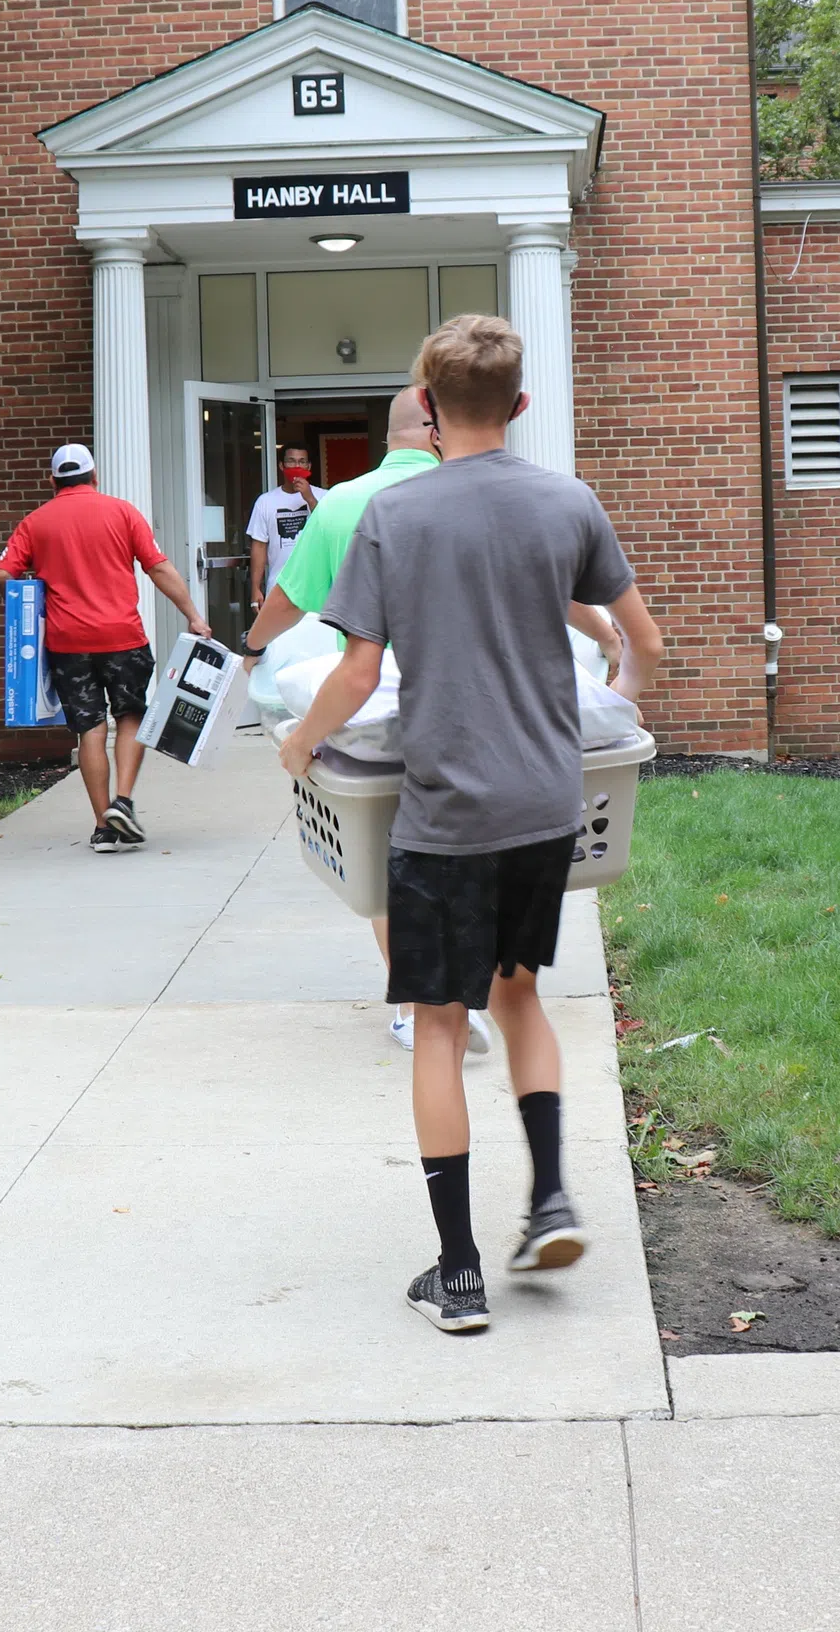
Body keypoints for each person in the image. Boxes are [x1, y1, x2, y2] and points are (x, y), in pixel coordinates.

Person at [276, 315, 664, 1334]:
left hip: (443, 809)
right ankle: (548, 1200)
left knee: (441, 1025)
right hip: (545, 803)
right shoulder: (566, 501)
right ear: (523, 404)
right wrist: (618, 703)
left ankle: (456, 1271)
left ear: (429, 409)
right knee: (522, 994)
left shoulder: (396, 517)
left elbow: (358, 672)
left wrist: (300, 743)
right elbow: (642, 640)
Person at [247, 386, 623, 1057]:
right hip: (487, 715)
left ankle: (418, 1002)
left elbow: (288, 602)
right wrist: (609, 636)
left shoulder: (342, 508)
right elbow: (558, 586)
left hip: (372, 723)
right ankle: (486, 982)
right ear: (437, 427)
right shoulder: (486, 493)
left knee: (389, 867)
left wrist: (251, 647)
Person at [0, 442, 210, 854]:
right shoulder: (122, 511)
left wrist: (35, 581)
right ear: (94, 476)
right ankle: (123, 800)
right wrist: (192, 614)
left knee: (89, 728)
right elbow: (158, 567)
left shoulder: (36, 522)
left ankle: (104, 826)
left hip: (67, 643)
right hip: (123, 636)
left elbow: (1, 576)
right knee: (130, 717)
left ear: (52, 481)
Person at [245, 445, 320, 600]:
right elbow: (259, 546)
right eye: (291, 461)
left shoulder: (324, 496)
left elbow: (328, 530)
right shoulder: (265, 501)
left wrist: (310, 499)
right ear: (281, 466)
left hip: (317, 588)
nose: (297, 466)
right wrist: (255, 588)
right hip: (279, 588)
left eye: (302, 461)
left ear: (309, 466)